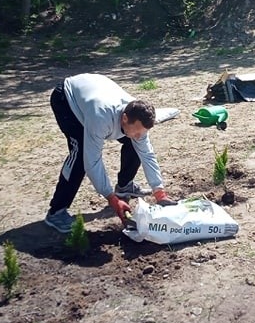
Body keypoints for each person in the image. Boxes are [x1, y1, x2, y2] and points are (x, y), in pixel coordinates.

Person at [45, 73, 177, 233]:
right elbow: (92, 162)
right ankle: (56, 212)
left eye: (141, 133)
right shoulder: (101, 118)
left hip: (96, 89)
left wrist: (159, 193)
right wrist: (111, 199)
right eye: (137, 131)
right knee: (80, 155)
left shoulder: (138, 120)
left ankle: (124, 186)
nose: (139, 136)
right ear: (125, 118)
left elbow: (147, 154)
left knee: (135, 143)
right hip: (67, 98)